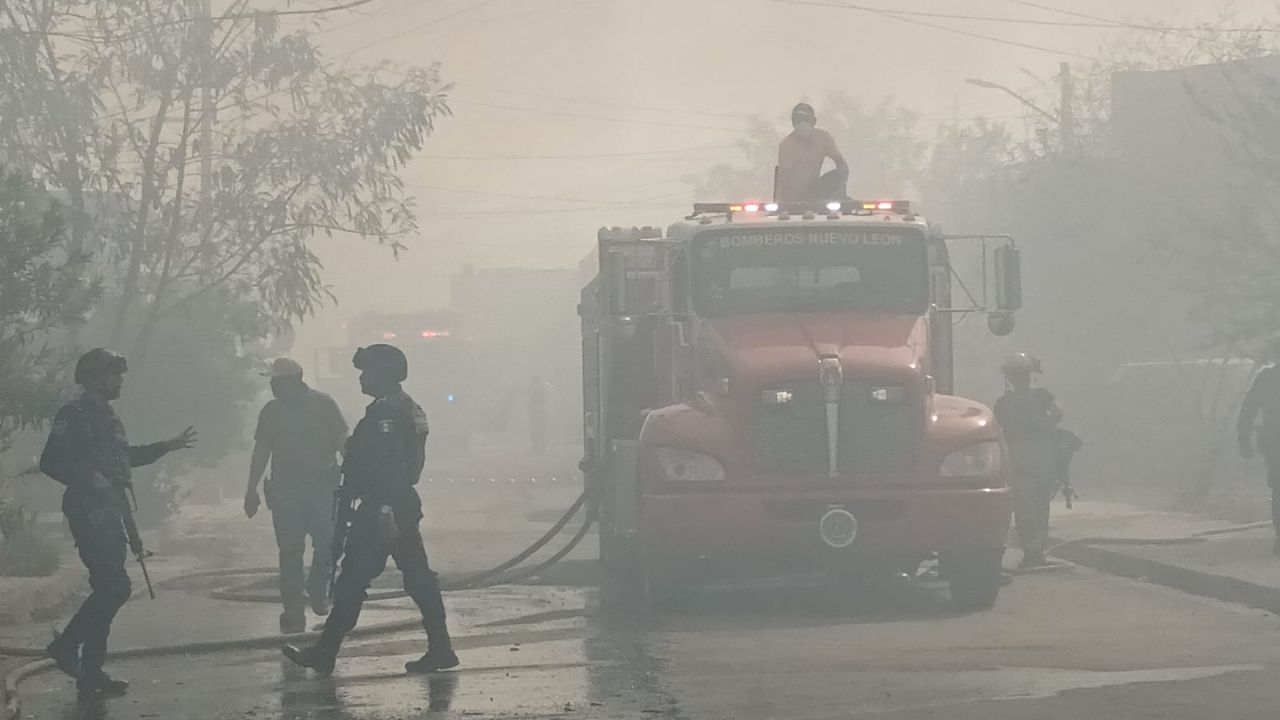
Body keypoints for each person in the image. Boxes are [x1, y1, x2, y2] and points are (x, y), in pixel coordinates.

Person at [282, 344, 457, 675]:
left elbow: (390, 465)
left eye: (368, 372)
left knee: (353, 581)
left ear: (384, 374)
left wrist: (384, 508)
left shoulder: (387, 415)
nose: (362, 378)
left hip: (383, 507)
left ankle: (325, 653)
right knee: (417, 578)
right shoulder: (401, 407)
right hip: (393, 505)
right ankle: (441, 648)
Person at [39, 349, 196, 697]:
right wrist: (88, 477)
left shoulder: (107, 417)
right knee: (115, 588)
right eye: (114, 375)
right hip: (89, 512)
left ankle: (91, 672)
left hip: (112, 512)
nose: (120, 381)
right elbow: (50, 462)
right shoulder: (74, 414)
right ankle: (67, 647)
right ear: (97, 378)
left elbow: (124, 458)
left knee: (107, 590)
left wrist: (165, 447)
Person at [244, 357, 348, 633]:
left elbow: (341, 441)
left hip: (322, 488)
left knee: (327, 543)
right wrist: (251, 489)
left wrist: (356, 477)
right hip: (286, 490)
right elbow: (262, 450)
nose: (273, 386)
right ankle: (292, 609)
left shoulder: (323, 404)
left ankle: (318, 588)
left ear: (293, 381)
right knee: (289, 550)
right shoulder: (271, 412)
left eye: (277, 381)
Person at [993, 352, 1063, 569]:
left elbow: (996, 430)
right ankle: (1038, 551)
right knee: (1041, 503)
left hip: (1017, 454)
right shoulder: (1042, 396)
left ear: (1010, 377)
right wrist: (1045, 427)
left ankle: (1031, 552)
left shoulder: (1003, 403)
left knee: (1024, 505)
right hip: (1043, 452)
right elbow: (1059, 413)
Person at [1238, 340, 1280, 553]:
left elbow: (1247, 411)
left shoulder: (1266, 379)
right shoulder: (1266, 379)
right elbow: (1248, 410)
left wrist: (1245, 440)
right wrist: (1244, 440)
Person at [774, 102, 849, 202]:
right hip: (795, 196)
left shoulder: (823, 138)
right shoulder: (787, 145)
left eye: (806, 120)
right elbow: (783, 178)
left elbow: (841, 164)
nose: (802, 124)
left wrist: (840, 189)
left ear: (814, 121)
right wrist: (781, 205)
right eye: (798, 120)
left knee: (837, 174)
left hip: (814, 190)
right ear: (793, 123)